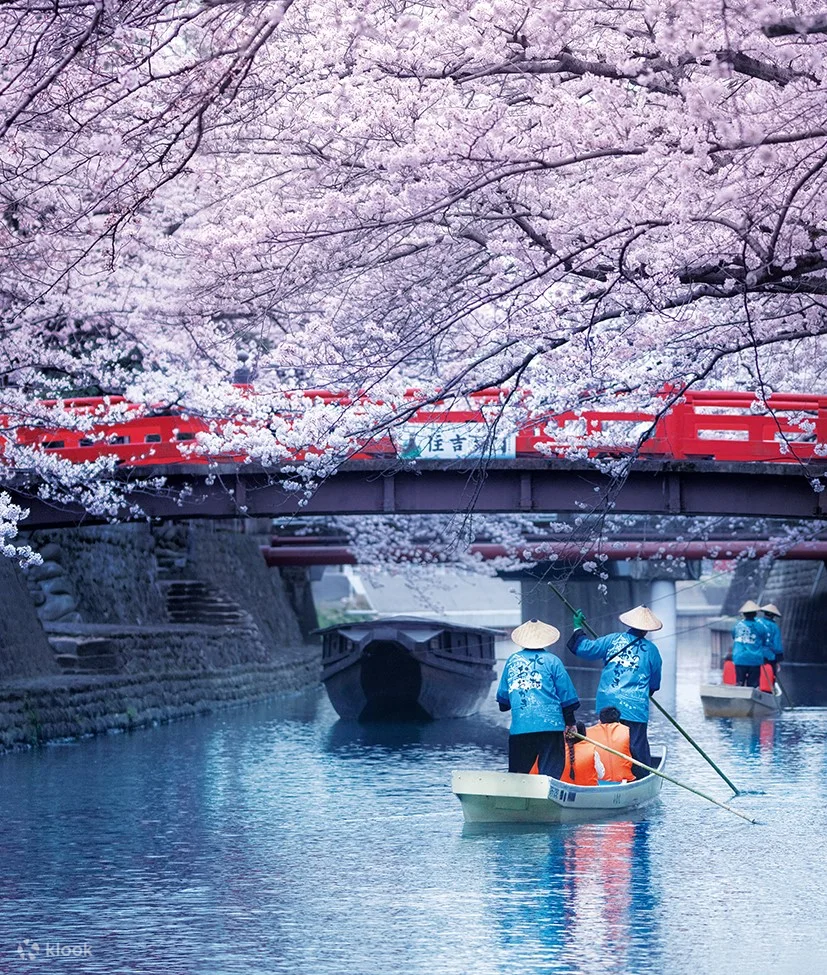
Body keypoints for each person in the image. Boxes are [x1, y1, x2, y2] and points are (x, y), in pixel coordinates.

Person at [567, 604, 662, 779]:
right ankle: (640, 779)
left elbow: (585, 648)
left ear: (630, 625)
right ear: (647, 630)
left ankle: (605, 776)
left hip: (607, 703)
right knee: (635, 745)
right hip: (635, 706)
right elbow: (654, 684)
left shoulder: (612, 640)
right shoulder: (652, 651)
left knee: (608, 741)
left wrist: (578, 627)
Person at [497, 618, 580, 778]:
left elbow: (503, 703)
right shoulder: (553, 661)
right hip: (551, 727)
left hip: (520, 728)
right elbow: (567, 699)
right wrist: (571, 723)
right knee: (549, 776)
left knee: (518, 777)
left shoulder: (512, 661)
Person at [587, 706, 635, 783]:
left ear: (600, 719)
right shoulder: (628, 731)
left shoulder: (586, 733)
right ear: (618, 719)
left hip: (596, 780)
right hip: (624, 779)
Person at [732, 600, 772, 687]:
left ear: (744, 614)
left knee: (739, 683)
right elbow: (765, 642)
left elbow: (734, 637)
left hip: (739, 658)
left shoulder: (737, 626)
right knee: (753, 685)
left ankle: (739, 697)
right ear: (755, 614)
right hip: (755, 659)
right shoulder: (761, 627)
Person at [560, 721, 605, 786]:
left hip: (564, 789)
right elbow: (601, 775)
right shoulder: (592, 752)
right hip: (589, 791)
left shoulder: (558, 752)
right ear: (584, 734)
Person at [760, 604, 784, 677]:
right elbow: (777, 647)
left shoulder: (756, 622)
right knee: (770, 676)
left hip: (754, 653)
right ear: (773, 616)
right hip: (768, 656)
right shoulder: (774, 627)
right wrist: (779, 659)